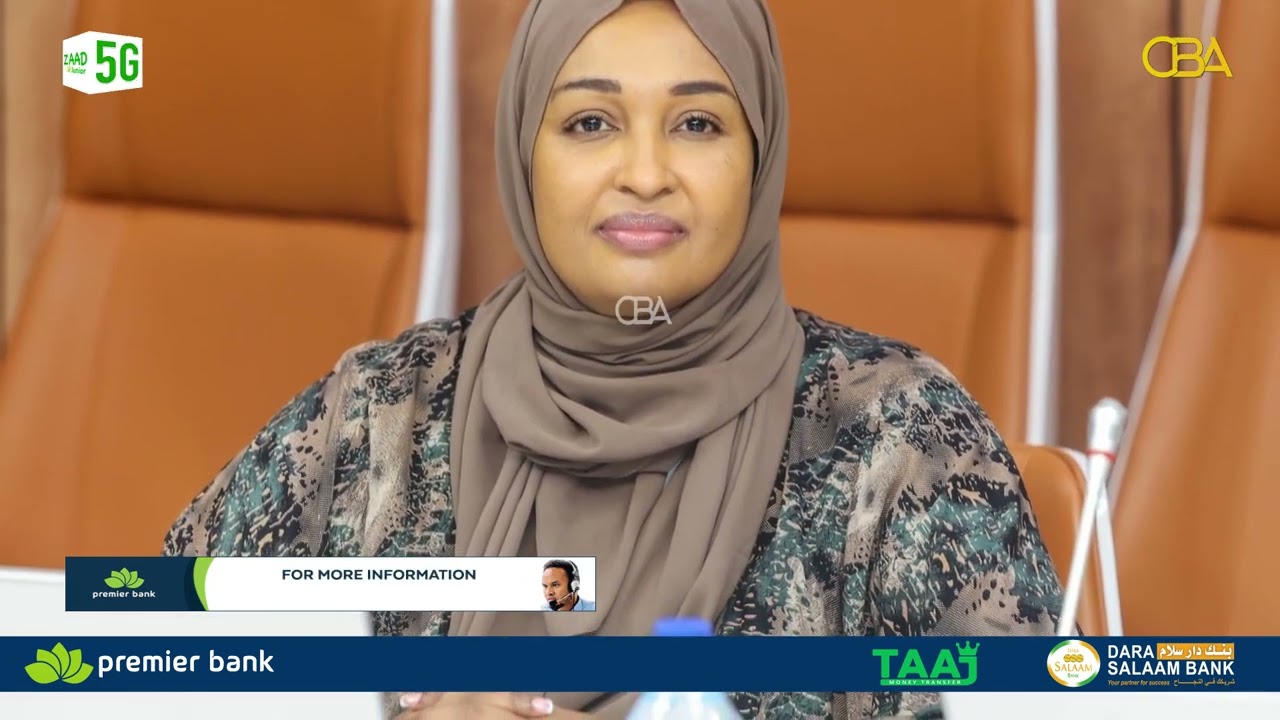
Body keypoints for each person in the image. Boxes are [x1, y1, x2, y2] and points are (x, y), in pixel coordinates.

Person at [164, 0, 1065, 717]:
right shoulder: (380, 410)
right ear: (525, 152)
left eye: (698, 124)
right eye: (591, 122)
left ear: (760, 157)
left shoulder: (899, 435)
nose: (644, 172)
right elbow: (146, 668)